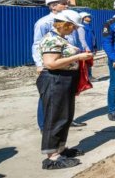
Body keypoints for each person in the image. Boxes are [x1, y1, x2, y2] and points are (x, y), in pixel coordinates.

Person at [37, 10, 93, 169]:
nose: (74, 29)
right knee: (55, 117)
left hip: (65, 79)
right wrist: (77, 57)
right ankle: (52, 157)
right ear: (64, 24)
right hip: (55, 80)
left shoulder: (61, 39)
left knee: (65, 116)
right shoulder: (51, 39)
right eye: (73, 26)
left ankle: (60, 149)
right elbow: (50, 63)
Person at [33, 0, 86, 129]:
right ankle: (45, 125)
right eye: (63, 3)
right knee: (48, 98)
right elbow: (37, 44)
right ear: (52, 6)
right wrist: (39, 64)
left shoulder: (69, 21)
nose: (66, 5)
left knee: (66, 97)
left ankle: (65, 120)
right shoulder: (44, 23)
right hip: (53, 65)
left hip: (67, 66)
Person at [79, 12, 97, 79]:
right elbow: (82, 39)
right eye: (88, 16)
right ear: (83, 18)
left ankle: (89, 75)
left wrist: (95, 46)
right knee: (85, 63)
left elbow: (93, 37)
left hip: (91, 47)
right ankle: (87, 76)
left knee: (89, 62)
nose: (89, 18)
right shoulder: (82, 27)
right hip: (86, 48)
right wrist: (86, 47)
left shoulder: (89, 26)